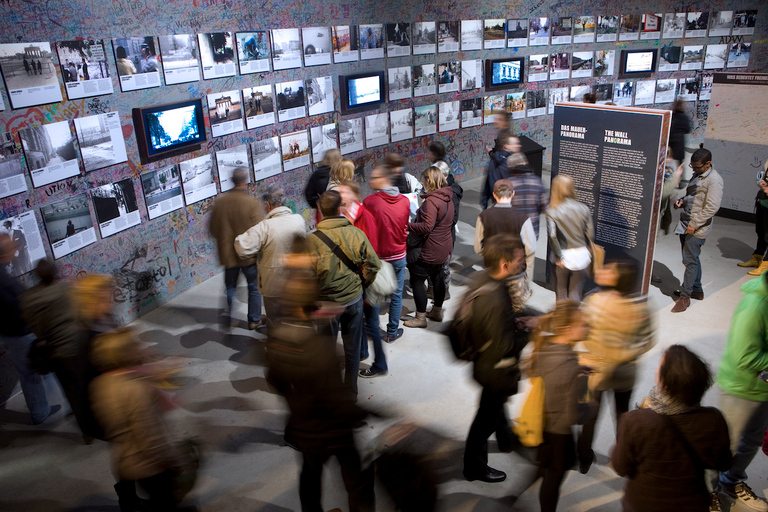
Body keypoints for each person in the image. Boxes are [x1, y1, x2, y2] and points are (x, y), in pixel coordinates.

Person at [266, 271, 374, 512]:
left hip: (303, 427)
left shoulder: (276, 339)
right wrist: (370, 412)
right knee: (357, 481)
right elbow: (336, 398)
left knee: (310, 480)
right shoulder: (319, 350)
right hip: (334, 429)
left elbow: (275, 380)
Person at [612, 345, 732, 512]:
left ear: (665, 383)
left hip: (643, 504)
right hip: (693, 504)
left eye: (660, 366)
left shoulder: (635, 422)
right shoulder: (713, 419)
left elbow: (620, 467)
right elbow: (723, 462)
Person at [90, 328, 196, 512]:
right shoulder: (136, 390)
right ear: (125, 353)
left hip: (125, 461)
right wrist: (175, 462)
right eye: (135, 345)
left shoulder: (100, 384)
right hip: (150, 466)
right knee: (165, 501)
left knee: (160, 500)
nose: (140, 347)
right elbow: (151, 439)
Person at [577, 259, 654, 474]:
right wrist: (626, 353)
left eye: (610, 269)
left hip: (597, 371)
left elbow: (581, 333)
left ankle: (583, 458)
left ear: (618, 278)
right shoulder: (641, 306)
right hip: (625, 372)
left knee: (590, 416)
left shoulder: (595, 302)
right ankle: (625, 459)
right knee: (622, 416)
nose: (604, 270)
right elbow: (648, 341)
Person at [463, 233, 528, 483]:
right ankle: (474, 468)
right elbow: (504, 346)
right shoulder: (494, 298)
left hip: (482, 360)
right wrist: (529, 331)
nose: (521, 262)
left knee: (494, 406)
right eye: (518, 259)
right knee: (484, 420)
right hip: (494, 368)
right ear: (504, 264)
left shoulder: (482, 278)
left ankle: (506, 438)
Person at [305, 190, 380, 398]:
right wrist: (363, 283)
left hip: (326, 303)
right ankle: (351, 391)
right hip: (353, 299)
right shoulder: (356, 233)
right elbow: (373, 264)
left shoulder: (312, 241)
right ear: (341, 209)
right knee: (352, 347)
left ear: (320, 209)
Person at [21, 259, 101, 441]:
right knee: (89, 385)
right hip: (78, 345)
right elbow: (82, 315)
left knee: (72, 393)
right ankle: (98, 422)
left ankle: (87, 432)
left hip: (57, 353)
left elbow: (35, 328)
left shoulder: (29, 298)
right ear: (55, 273)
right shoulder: (68, 290)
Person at [528, 301, 596, 512]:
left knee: (545, 467)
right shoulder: (569, 367)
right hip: (558, 433)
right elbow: (571, 416)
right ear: (567, 330)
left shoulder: (547, 347)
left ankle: (517, 494)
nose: (588, 327)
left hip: (542, 422)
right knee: (555, 475)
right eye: (583, 324)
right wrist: (591, 408)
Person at [714, 270, 768, 511]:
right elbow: (744, 357)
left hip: (763, 388)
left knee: (752, 442)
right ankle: (708, 493)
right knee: (725, 447)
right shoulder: (754, 306)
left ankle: (730, 482)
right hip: (740, 390)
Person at [0, 233, 56, 425]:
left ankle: (40, 410)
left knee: (27, 372)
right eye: (11, 249)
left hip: (9, 334)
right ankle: (44, 411)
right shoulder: (3, 280)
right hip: (20, 333)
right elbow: (18, 308)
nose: (15, 251)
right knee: (37, 370)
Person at [234, 186, 307, 325]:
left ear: (267, 205)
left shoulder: (265, 226)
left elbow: (241, 247)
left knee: (275, 321)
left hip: (273, 284)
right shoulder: (299, 220)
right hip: (296, 280)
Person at [208, 168, 265, 329]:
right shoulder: (252, 203)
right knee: (254, 287)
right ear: (245, 181)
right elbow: (261, 229)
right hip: (248, 254)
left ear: (232, 181)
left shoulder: (220, 202)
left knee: (230, 287)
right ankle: (254, 320)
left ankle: (229, 318)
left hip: (229, 255)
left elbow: (212, 229)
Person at [362, 164, 410, 348]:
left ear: (384, 179)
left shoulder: (370, 202)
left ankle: (372, 330)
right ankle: (392, 332)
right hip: (398, 255)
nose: (371, 181)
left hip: (378, 258)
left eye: (374, 178)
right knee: (397, 295)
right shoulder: (405, 202)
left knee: (373, 295)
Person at [671, 146, 723, 313]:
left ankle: (685, 297)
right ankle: (697, 290)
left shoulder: (714, 180)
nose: (693, 169)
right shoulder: (699, 173)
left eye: (697, 167)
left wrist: (695, 224)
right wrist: (683, 201)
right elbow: (695, 197)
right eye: (692, 167)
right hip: (687, 223)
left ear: (708, 164)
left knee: (690, 261)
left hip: (695, 227)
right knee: (693, 258)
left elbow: (712, 207)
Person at [404, 166, 454, 327]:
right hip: (443, 247)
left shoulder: (431, 201)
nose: (422, 183)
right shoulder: (448, 198)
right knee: (438, 278)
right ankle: (437, 311)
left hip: (429, 249)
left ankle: (420, 318)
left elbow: (426, 227)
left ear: (429, 181)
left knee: (418, 280)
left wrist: (408, 226)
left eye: (424, 180)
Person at [474, 179, 536, 283]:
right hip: (515, 273)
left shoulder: (483, 216)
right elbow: (530, 249)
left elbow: (478, 248)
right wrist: (527, 276)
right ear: (513, 194)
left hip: (493, 272)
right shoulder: (522, 218)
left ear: (494, 195)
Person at [546, 174, 593, 301]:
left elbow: (552, 236)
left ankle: (561, 319)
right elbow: (590, 235)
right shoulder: (584, 209)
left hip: (563, 255)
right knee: (576, 294)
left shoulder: (552, 211)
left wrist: (558, 255)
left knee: (561, 294)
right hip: (581, 254)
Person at [507, 148, 548, 239]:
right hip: (532, 231)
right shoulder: (537, 181)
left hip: (513, 232)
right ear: (525, 163)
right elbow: (545, 206)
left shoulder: (508, 183)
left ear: (511, 167)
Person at [737, 160, 768, 275]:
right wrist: (761, 182)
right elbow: (761, 174)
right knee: (760, 232)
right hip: (763, 202)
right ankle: (757, 258)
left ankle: (766, 266)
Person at [480, 133, 517, 209]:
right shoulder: (511, 162)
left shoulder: (492, 161)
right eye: (514, 144)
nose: (517, 145)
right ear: (506, 146)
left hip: (497, 198)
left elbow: (487, 182)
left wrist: (484, 201)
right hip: (509, 199)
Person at [669, 98, 692, 168]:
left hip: (670, 141)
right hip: (679, 142)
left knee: (667, 160)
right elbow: (687, 129)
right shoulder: (684, 117)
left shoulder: (671, 116)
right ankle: (680, 176)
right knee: (680, 164)